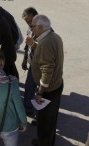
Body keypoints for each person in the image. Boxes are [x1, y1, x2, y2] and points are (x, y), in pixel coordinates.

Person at [30, 14, 64, 146]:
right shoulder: (55, 37)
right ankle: (49, 141)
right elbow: (47, 54)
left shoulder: (45, 43)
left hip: (48, 90)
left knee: (45, 122)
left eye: (33, 26)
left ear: (40, 27)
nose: (31, 29)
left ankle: (44, 143)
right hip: (57, 84)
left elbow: (47, 70)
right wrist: (33, 45)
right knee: (51, 119)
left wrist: (40, 92)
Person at [21, 7, 39, 116]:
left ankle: (33, 110)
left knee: (36, 89)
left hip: (40, 65)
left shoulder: (44, 29)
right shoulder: (29, 29)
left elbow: (46, 49)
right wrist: (24, 60)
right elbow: (27, 47)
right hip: (32, 63)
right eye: (27, 22)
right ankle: (28, 109)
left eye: (30, 21)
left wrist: (33, 43)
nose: (29, 24)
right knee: (29, 87)